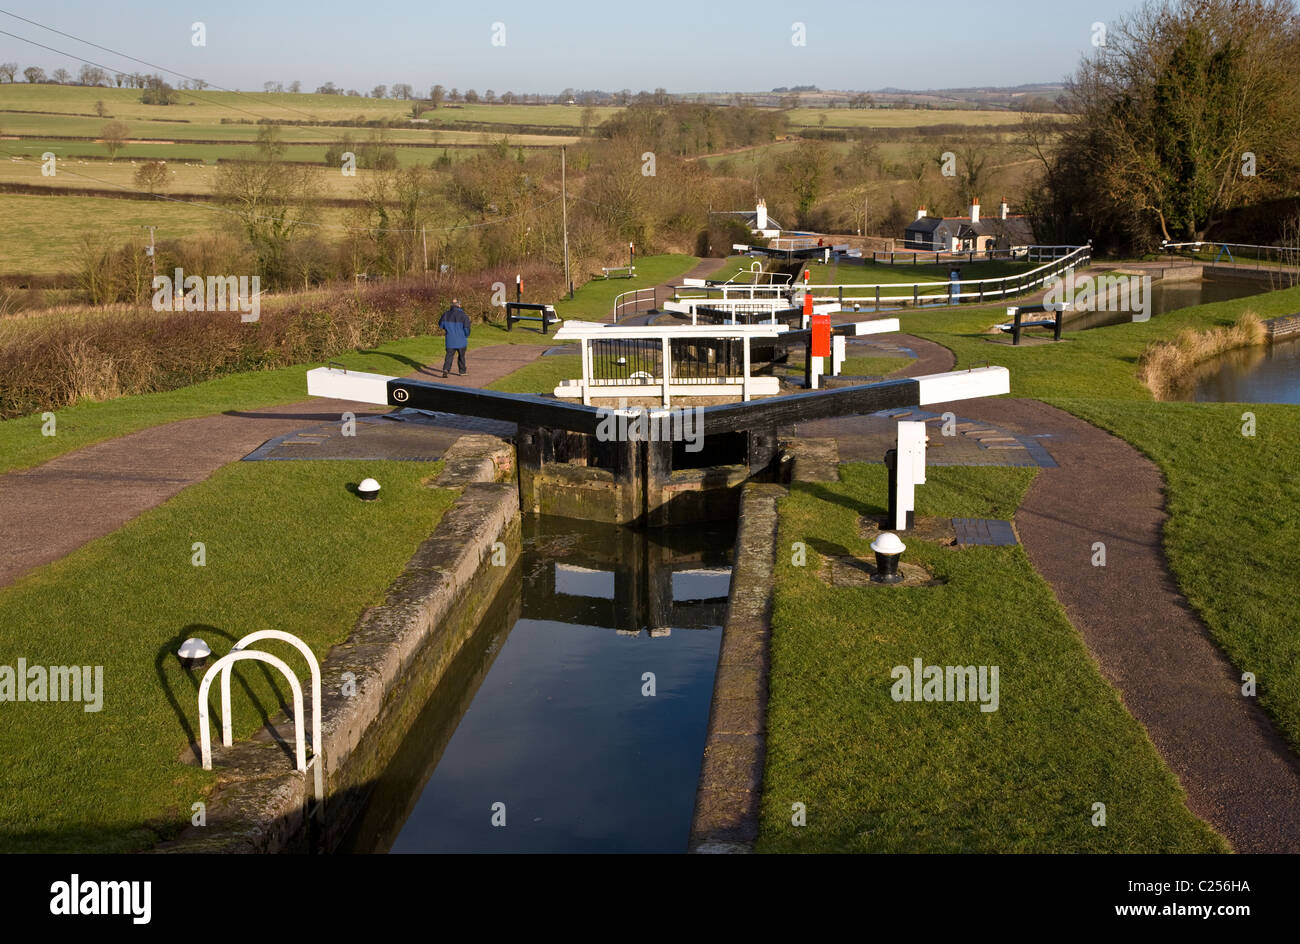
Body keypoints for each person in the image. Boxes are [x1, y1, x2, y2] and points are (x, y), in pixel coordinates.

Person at [438, 299, 471, 376]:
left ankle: (446, 369)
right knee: (461, 356)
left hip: (450, 339)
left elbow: (441, 325)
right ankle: (462, 371)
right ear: (459, 305)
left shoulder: (445, 314)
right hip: (461, 339)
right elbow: (467, 328)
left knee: (449, 356)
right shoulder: (464, 315)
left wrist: (448, 329)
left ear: (451, 305)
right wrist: (466, 335)